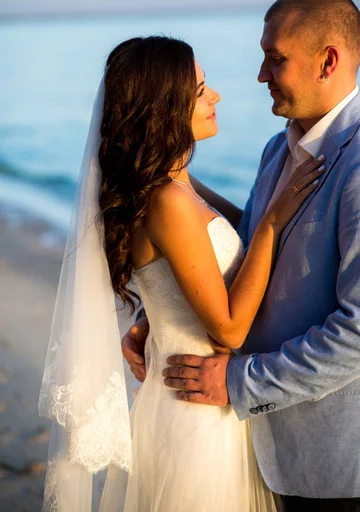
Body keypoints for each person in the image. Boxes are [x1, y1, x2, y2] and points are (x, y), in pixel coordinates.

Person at [124, 0, 360, 512]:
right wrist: (164, 308)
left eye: (275, 60)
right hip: (266, 452)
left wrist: (240, 381)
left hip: (343, 469)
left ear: (328, 61)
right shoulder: (280, 148)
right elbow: (248, 250)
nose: (259, 76)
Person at [39, 35, 324, 512]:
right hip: (194, 412)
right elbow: (229, 328)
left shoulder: (178, 183)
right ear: (165, 106)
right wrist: (275, 219)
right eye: (200, 91)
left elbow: (228, 244)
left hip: (200, 398)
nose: (215, 97)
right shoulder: (168, 200)